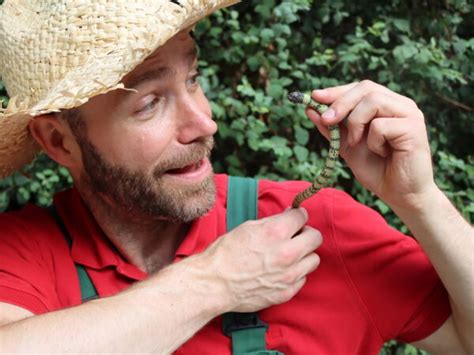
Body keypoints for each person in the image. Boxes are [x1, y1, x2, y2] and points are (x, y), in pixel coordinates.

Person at [0, 1, 472, 354]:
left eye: (193, 78)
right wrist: (215, 281)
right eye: (149, 103)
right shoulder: (22, 253)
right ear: (59, 142)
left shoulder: (314, 226)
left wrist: (420, 200)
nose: (204, 122)